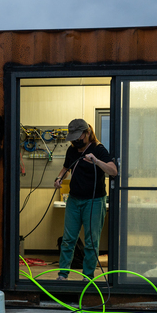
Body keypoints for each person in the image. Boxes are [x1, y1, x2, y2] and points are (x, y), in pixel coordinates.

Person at [53, 119, 118, 281]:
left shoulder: (99, 149)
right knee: (68, 240)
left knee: (91, 243)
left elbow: (113, 171)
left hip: (94, 201)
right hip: (74, 200)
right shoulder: (72, 149)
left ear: (88, 133)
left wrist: (96, 161)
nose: (76, 141)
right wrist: (59, 177)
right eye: (73, 138)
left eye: (79, 137)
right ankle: (62, 275)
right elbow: (66, 167)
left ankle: (87, 277)